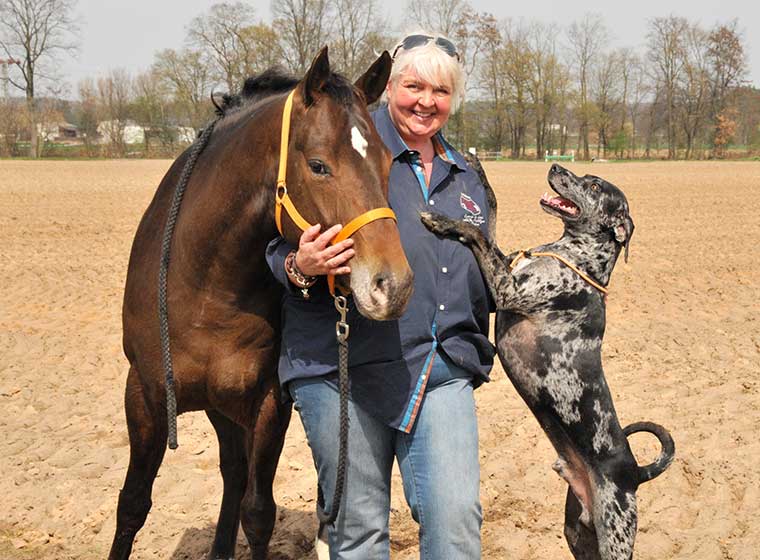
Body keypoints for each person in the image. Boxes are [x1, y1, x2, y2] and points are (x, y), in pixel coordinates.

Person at [266, 32, 495, 559]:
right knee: (359, 531)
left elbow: (486, 270)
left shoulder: (469, 178)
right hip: (341, 367)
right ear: (389, 87)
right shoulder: (351, 148)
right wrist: (300, 265)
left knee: (457, 525)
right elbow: (273, 247)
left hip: (440, 366)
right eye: (414, 85)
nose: (425, 100)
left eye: (440, 90)